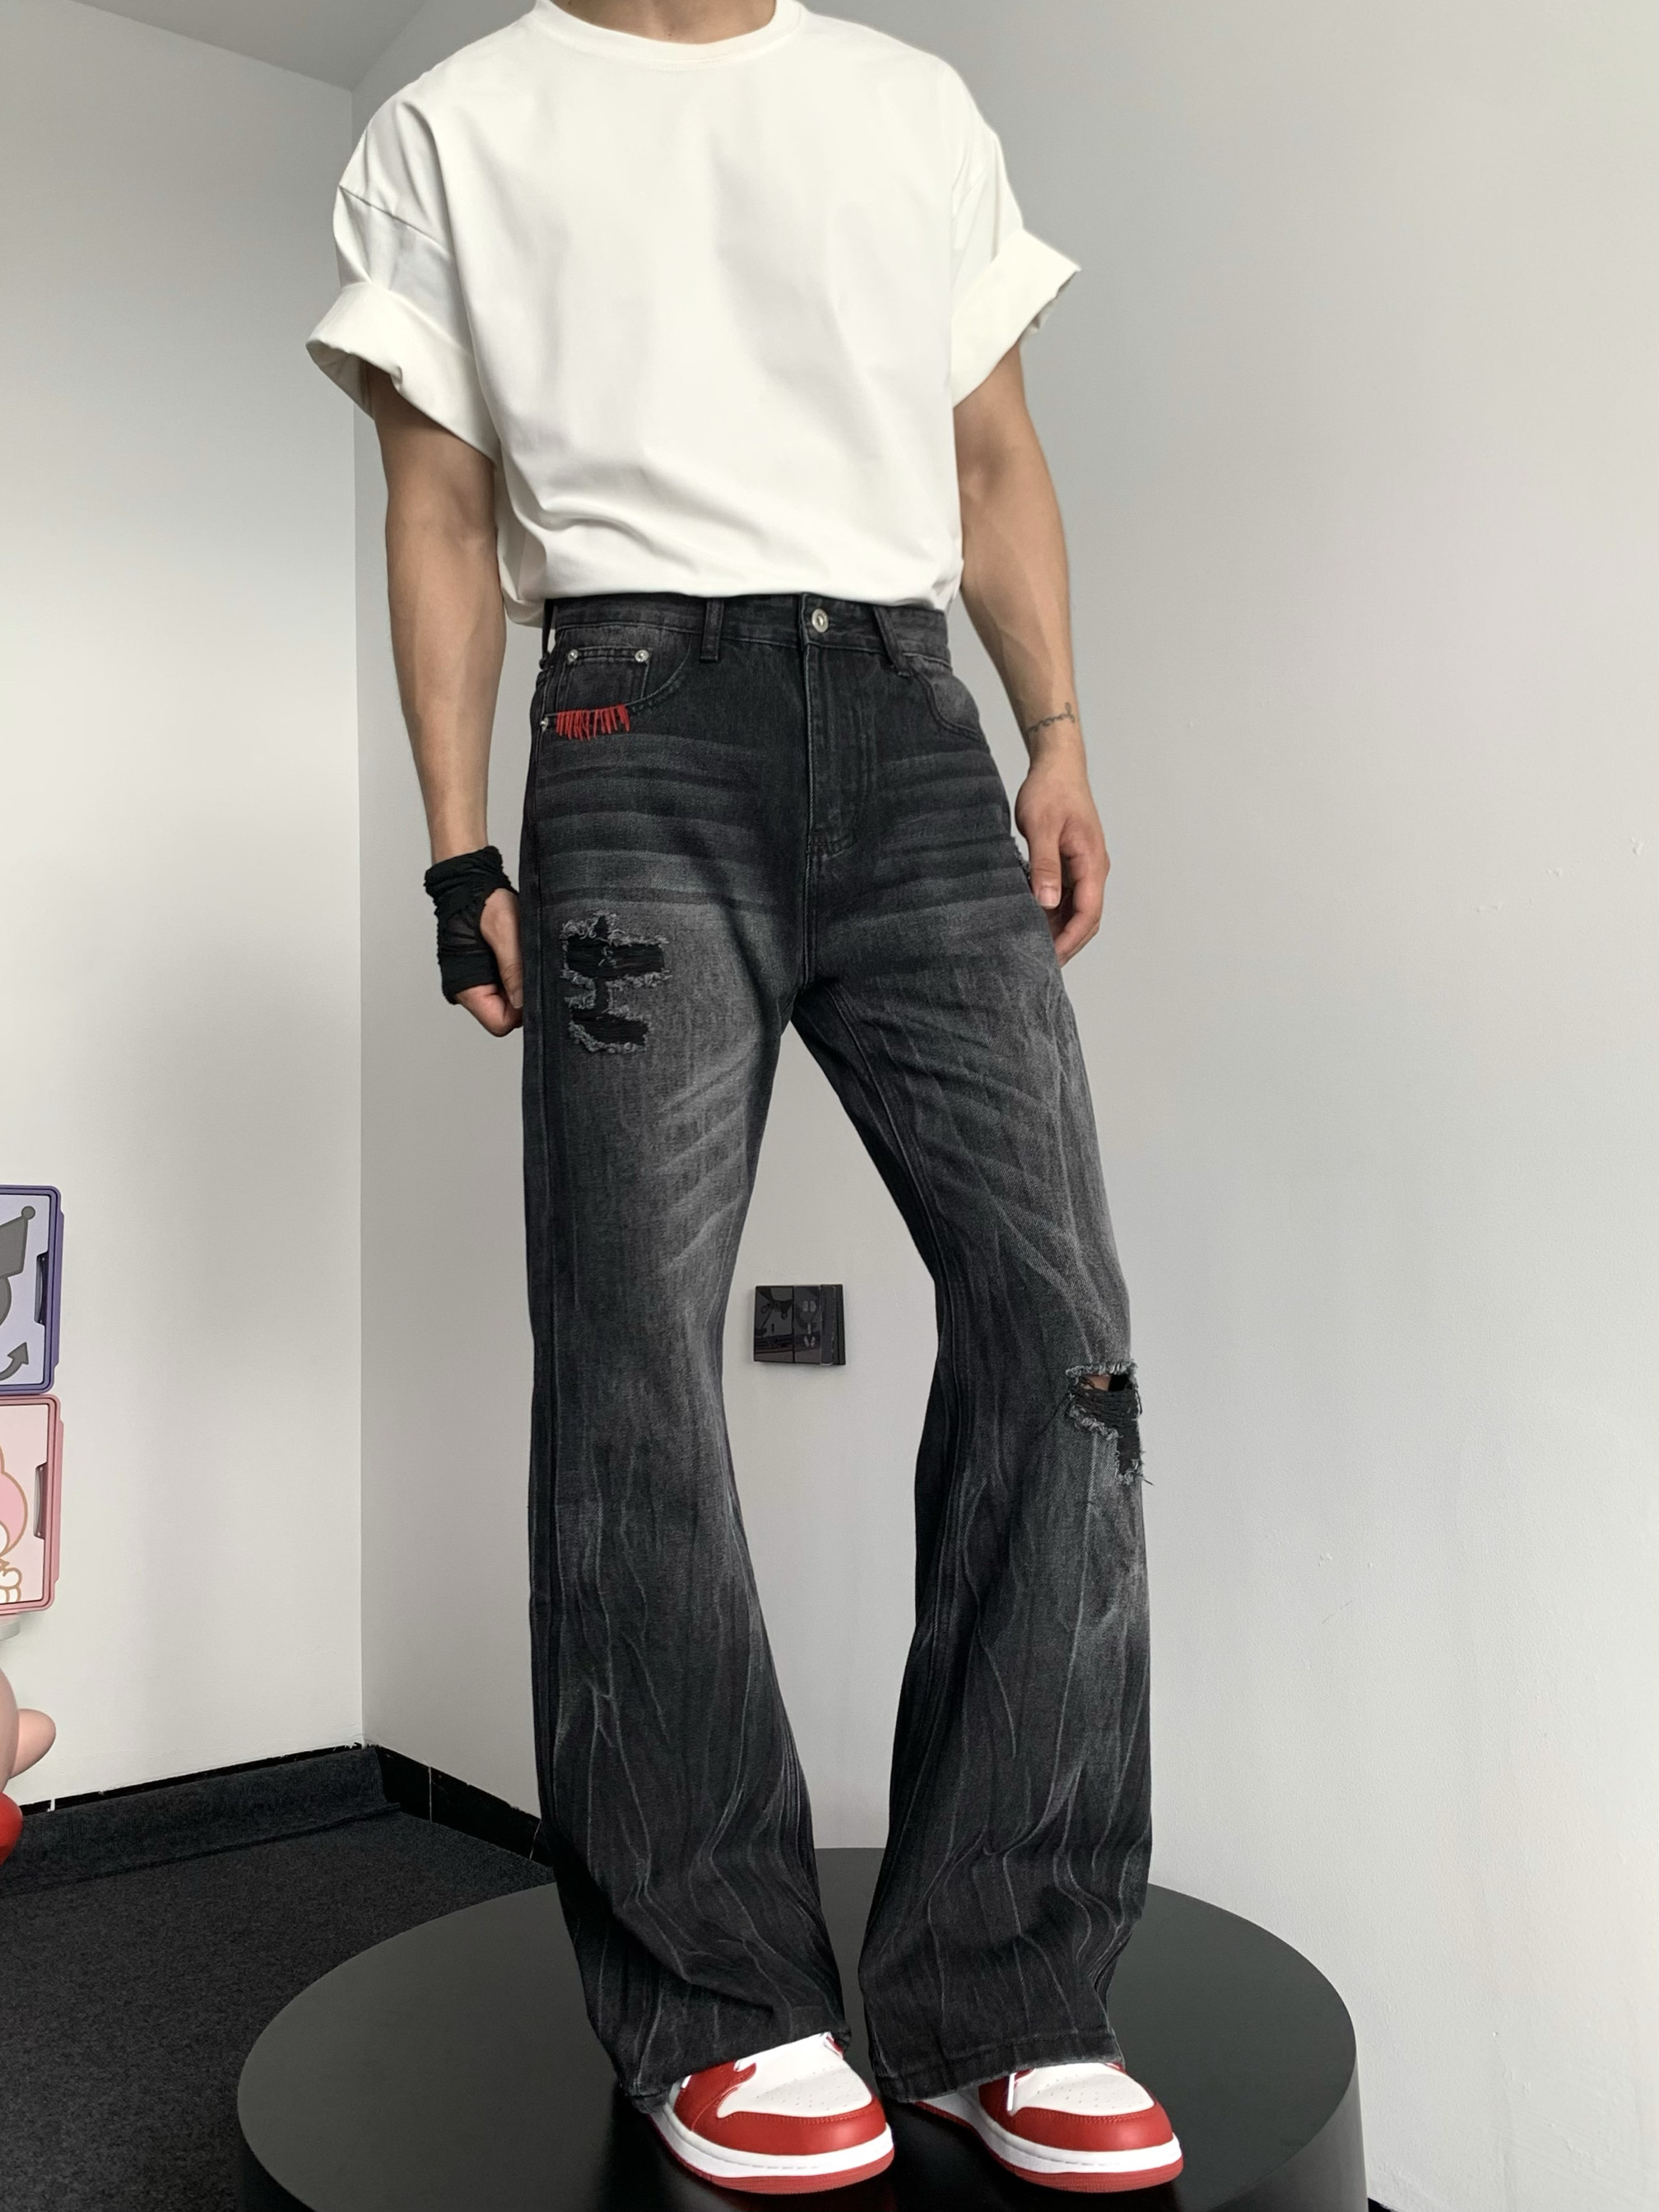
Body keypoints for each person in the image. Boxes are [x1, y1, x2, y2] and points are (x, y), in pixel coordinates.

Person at [309, 0, 1179, 2193]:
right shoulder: (454, 126)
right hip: (632, 730)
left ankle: (1009, 1991)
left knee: (1061, 1335)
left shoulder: (909, 107)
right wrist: (455, 848)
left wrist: (1056, 733)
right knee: (630, 1360)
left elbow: (991, 455)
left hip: (908, 725)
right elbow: (441, 507)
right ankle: (716, 1998)